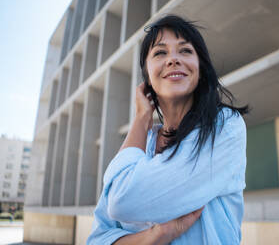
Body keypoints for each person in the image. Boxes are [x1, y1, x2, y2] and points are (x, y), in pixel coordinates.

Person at [87, 15, 249, 245]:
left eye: (184, 51)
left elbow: (121, 201)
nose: (173, 59)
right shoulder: (141, 143)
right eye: (160, 53)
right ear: (147, 77)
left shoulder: (224, 126)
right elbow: (97, 239)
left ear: (200, 68)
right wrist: (155, 236)